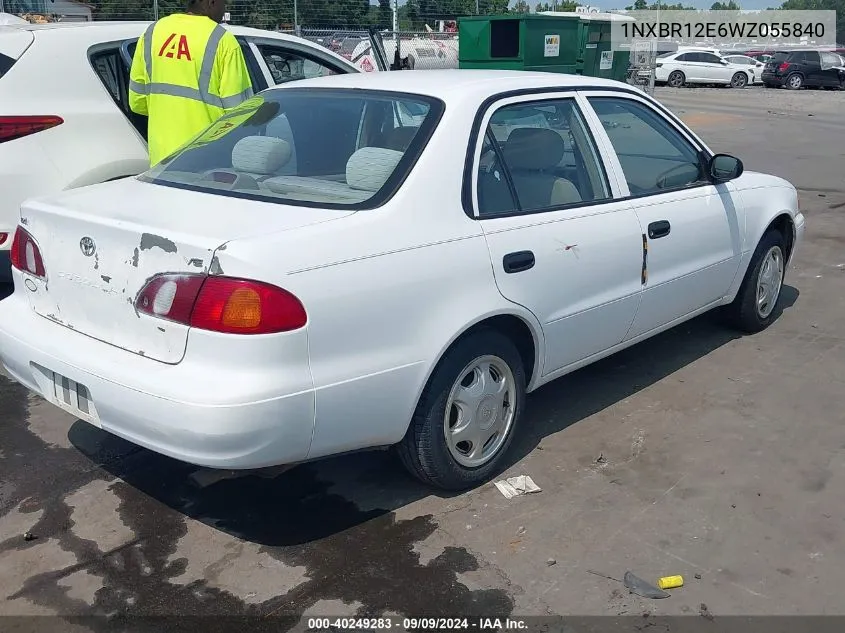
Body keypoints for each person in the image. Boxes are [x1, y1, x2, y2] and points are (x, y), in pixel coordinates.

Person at [129, 0, 254, 167]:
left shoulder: (153, 32)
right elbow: (241, 115)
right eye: (224, 3)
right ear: (211, 2)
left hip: (161, 162)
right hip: (207, 163)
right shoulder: (223, 41)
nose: (225, 9)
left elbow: (137, 103)